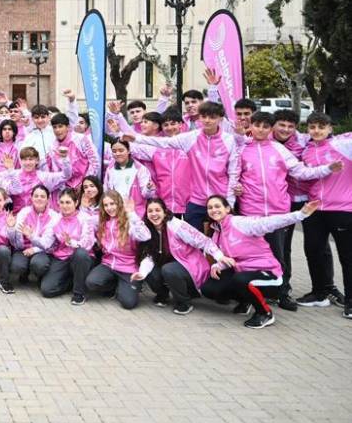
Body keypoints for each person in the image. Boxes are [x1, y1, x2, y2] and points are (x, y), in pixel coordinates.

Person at [234, 111, 339, 311]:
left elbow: (300, 171)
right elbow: (232, 175)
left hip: (278, 213)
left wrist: (326, 169)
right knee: (250, 256)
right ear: (252, 126)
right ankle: (248, 298)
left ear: (270, 129)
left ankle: (281, 294)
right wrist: (236, 187)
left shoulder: (279, 150)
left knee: (279, 255)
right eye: (258, 125)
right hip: (251, 212)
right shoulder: (242, 149)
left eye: (266, 126)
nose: (261, 130)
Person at [200, 195, 320, 329]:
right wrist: (217, 265)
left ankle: (265, 313)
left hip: (270, 275)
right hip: (244, 272)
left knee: (241, 279)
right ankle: (246, 301)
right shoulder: (217, 230)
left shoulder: (240, 223)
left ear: (227, 209)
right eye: (210, 207)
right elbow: (229, 257)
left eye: (217, 206)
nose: (213, 210)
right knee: (209, 288)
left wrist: (300, 214)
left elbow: (270, 222)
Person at [121, 101, 240, 231]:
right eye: (204, 116)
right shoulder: (191, 137)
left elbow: (234, 172)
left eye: (212, 117)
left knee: (220, 239)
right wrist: (136, 138)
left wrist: (230, 201)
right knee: (193, 240)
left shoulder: (229, 140)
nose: (207, 120)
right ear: (199, 117)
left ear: (220, 118)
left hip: (220, 197)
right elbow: (164, 142)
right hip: (196, 200)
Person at [296, 112, 352, 317]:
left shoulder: (342, 144)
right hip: (315, 209)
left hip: (342, 209)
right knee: (314, 251)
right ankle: (319, 294)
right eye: (312, 127)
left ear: (330, 128)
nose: (317, 131)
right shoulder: (307, 150)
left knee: (347, 257)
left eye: (322, 127)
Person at [133, 198, 231, 315]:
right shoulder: (148, 230)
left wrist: (219, 256)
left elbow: (204, 241)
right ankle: (162, 294)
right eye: (150, 211)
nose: (154, 214)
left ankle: (184, 302)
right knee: (150, 271)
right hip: (170, 268)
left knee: (168, 269)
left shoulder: (177, 225)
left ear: (165, 211)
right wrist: (142, 273)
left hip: (189, 268)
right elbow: (148, 257)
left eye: (157, 210)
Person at [24, 188, 95, 304]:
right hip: (61, 257)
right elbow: (47, 244)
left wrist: (71, 242)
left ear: (76, 203)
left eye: (68, 202)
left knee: (80, 254)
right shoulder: (55, 219)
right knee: (47, 290)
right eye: (62, 202)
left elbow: (88, 244)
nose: (64, 206)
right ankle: (71, 282)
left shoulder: (85, 218)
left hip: (80, 258)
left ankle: (79, 293)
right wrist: (32, 237)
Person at [84, 192, 150, 309]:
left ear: (119, 203)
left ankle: (127, 287)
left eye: (112, 204)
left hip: (128, 267)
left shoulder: (129, 221)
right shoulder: (103, 221)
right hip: (108, 265)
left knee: (128, 303)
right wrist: (84, 208)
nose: (109, 208)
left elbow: (145, 236)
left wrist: (132, 214)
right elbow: (85, 220)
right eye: (106, 205)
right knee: (91, 282)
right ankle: (114, 286)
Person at [10, 185, 58, 286]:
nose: (39, 198)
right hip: (24, 248)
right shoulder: (24, 212)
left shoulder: (54, 216)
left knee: (39, 264)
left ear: (48, 198)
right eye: (36, 196)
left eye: (42, 196)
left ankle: (40, 275)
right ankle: (24, 272)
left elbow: (47, 243)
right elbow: (16, 236)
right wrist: (11, 229)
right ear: (31, 198)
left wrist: (34, 248)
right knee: (17, 266)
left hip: (42, 250)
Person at [102, 140, 154, 217]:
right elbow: (106, 190)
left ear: (128, 150)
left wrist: (149, 188)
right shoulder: (110, 169)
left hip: (136, 214)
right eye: (114, 151)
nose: (117, 154)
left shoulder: (140, 169)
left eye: (121, 150)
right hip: (116, 213)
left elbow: (146, 195)